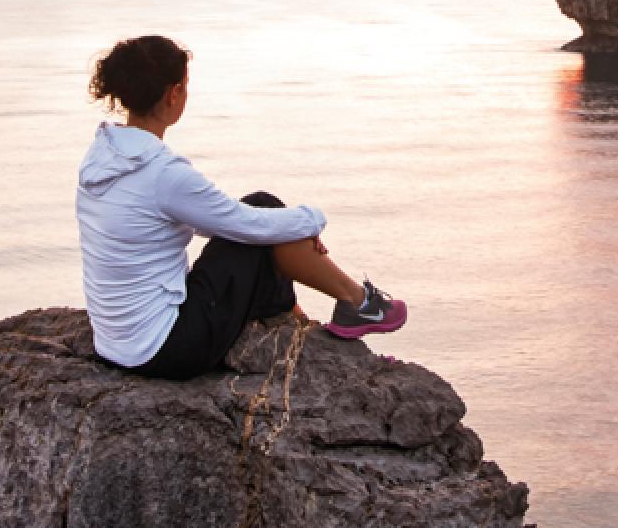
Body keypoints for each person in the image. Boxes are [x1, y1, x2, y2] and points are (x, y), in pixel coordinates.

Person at [76, 34, 406, 380]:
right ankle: (358, 303)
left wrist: (287, 226)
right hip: (165, 349)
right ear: (174, 94)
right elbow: (246, 225)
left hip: (114, 343)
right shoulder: (163, 174)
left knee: (264, 216)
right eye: (186, 87)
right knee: (264, 213)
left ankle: (315, 310)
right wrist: (311, 220)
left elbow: (215, 220)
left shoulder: (102, 156)